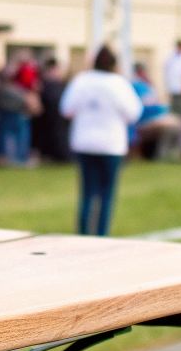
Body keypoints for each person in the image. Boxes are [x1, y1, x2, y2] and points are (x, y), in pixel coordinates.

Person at [61, 46, 142, 236]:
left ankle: (83, 233)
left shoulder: (82, 81)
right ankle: (101, 234)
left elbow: (66, 109)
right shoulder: (118, 83)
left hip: (85, 142)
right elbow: (134, 113)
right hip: (110, 144)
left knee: (87, 193)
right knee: (106, 194)